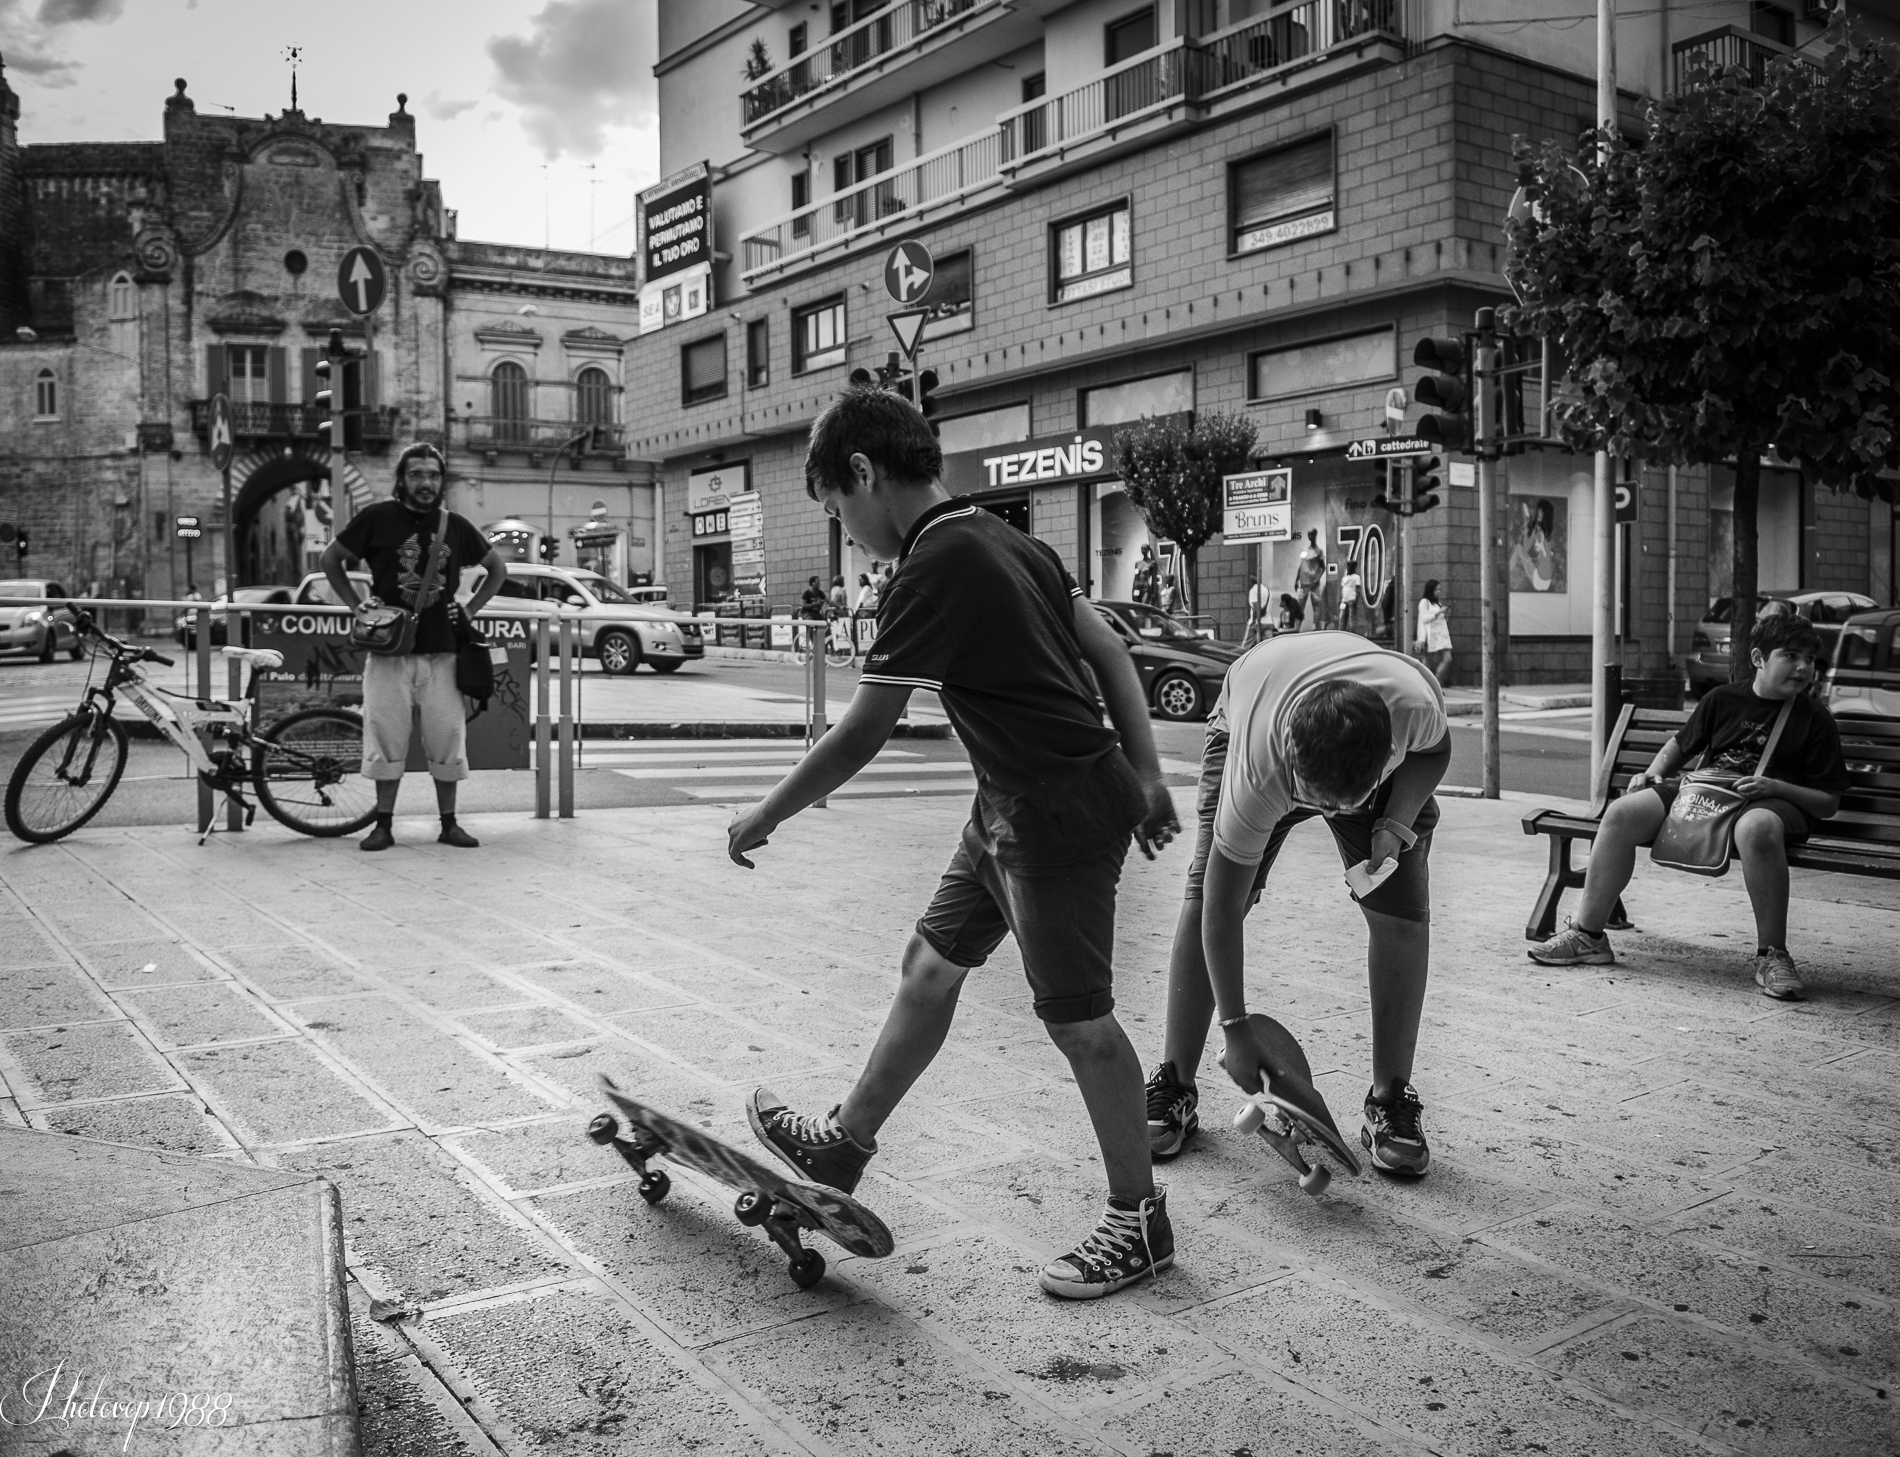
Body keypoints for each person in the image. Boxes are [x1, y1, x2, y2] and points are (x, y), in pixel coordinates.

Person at [728, 383, 1182, 1299]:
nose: (848, 533)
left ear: (862, 472)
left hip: (1053, 813)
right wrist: (1145, 772)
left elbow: (860, 734)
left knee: (1079, 1020)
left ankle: (1140, 1219)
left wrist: (764, 814)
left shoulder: (931, 565)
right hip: (1010, 805)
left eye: (838, 512)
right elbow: (1108, 650)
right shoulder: (1006, 536)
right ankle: (845, 1146)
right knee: (929, 967)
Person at [1144, 631, 1452, 1177]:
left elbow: (1435, 752)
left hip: (1355, 727)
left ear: (1388, 754)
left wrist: (1395, 819)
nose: (1325, 812)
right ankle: (1174, 1085)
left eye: (1341, 805)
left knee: (1402, 914)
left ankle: (1390, 1101)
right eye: (1314, 798)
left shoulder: (1414, 709)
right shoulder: (1259, 772)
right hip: (1254, 700)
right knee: (1206, 900)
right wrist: (1236, 1028)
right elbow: (1219, 911)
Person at [1527, 612, 1847, 1001]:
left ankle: (1772, 954)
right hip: (1708, 793)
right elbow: (1679, 746)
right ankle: (1588, 935)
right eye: (1791, 656)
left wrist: (1775, 786)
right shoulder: (1723, 700)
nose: (1802, 667)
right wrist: (1652, 773)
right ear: (1759, 658)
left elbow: (1827, 802)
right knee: (1622, 813)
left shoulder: (1816, 720)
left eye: (1809, 659)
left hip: (1772, 804)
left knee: (1756, 828)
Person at [320, 442, 508, 852]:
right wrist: (357, 605)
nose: (426, 483)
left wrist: (471, 610)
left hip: (443, 653)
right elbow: (331, 559)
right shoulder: (377, 518)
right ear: (402, 480)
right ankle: (383, 825)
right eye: (417, 474)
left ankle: (449, 823)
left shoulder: (455, 525)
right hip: (389, 652)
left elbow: (497, 569)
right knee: (386, 738)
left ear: (442, 481)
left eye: (433, 475)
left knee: (447, 739)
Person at [1416, 579, 1453, 686]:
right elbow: (1425, 619)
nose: (1438, 592)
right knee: (1428, 662)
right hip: (1430, 636)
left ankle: (1436, 683)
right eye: (1436, 590)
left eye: (1439, 590)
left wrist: (1445, 614)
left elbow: (1440, 621)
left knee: (1448, 659)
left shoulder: (1437, 604)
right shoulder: (1424, 602)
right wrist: (1439, 612)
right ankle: (1426, 685)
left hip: (1442, 636)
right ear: (1430, 590)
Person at [1293, 530, 1325, 630]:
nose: (1310, 537)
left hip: (1314, 583)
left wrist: (1317, 579)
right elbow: (1301, 565)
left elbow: (1323, 567)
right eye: (1309, 535)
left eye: (1312, 534)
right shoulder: (1305, 550)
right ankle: (1296, 628)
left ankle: (1316, 627)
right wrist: (1296, 579)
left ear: (1315, 535)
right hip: (1303, 583)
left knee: (1317, 606)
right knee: (1300, 606)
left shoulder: (1319, 551)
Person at [1242, 575, 1271, 647]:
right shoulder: (1267, 589)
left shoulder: (1254, 590)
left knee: (1245, 648)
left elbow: (1255, 608)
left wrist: (1253, 621)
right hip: (1268, 622)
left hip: (1257, 623)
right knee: (1267, 647)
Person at [1339, 557, 1363, 636]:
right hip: (1344, 600)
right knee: (1342, 617)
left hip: (1352, 599)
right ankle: (1342, 633)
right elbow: (1342, 589)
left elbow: (1358, 589)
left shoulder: (1356, 577)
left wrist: (1357, 599)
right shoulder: (1345, 578)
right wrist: (1340, 599)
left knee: (1351, 618)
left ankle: (1352, 634)